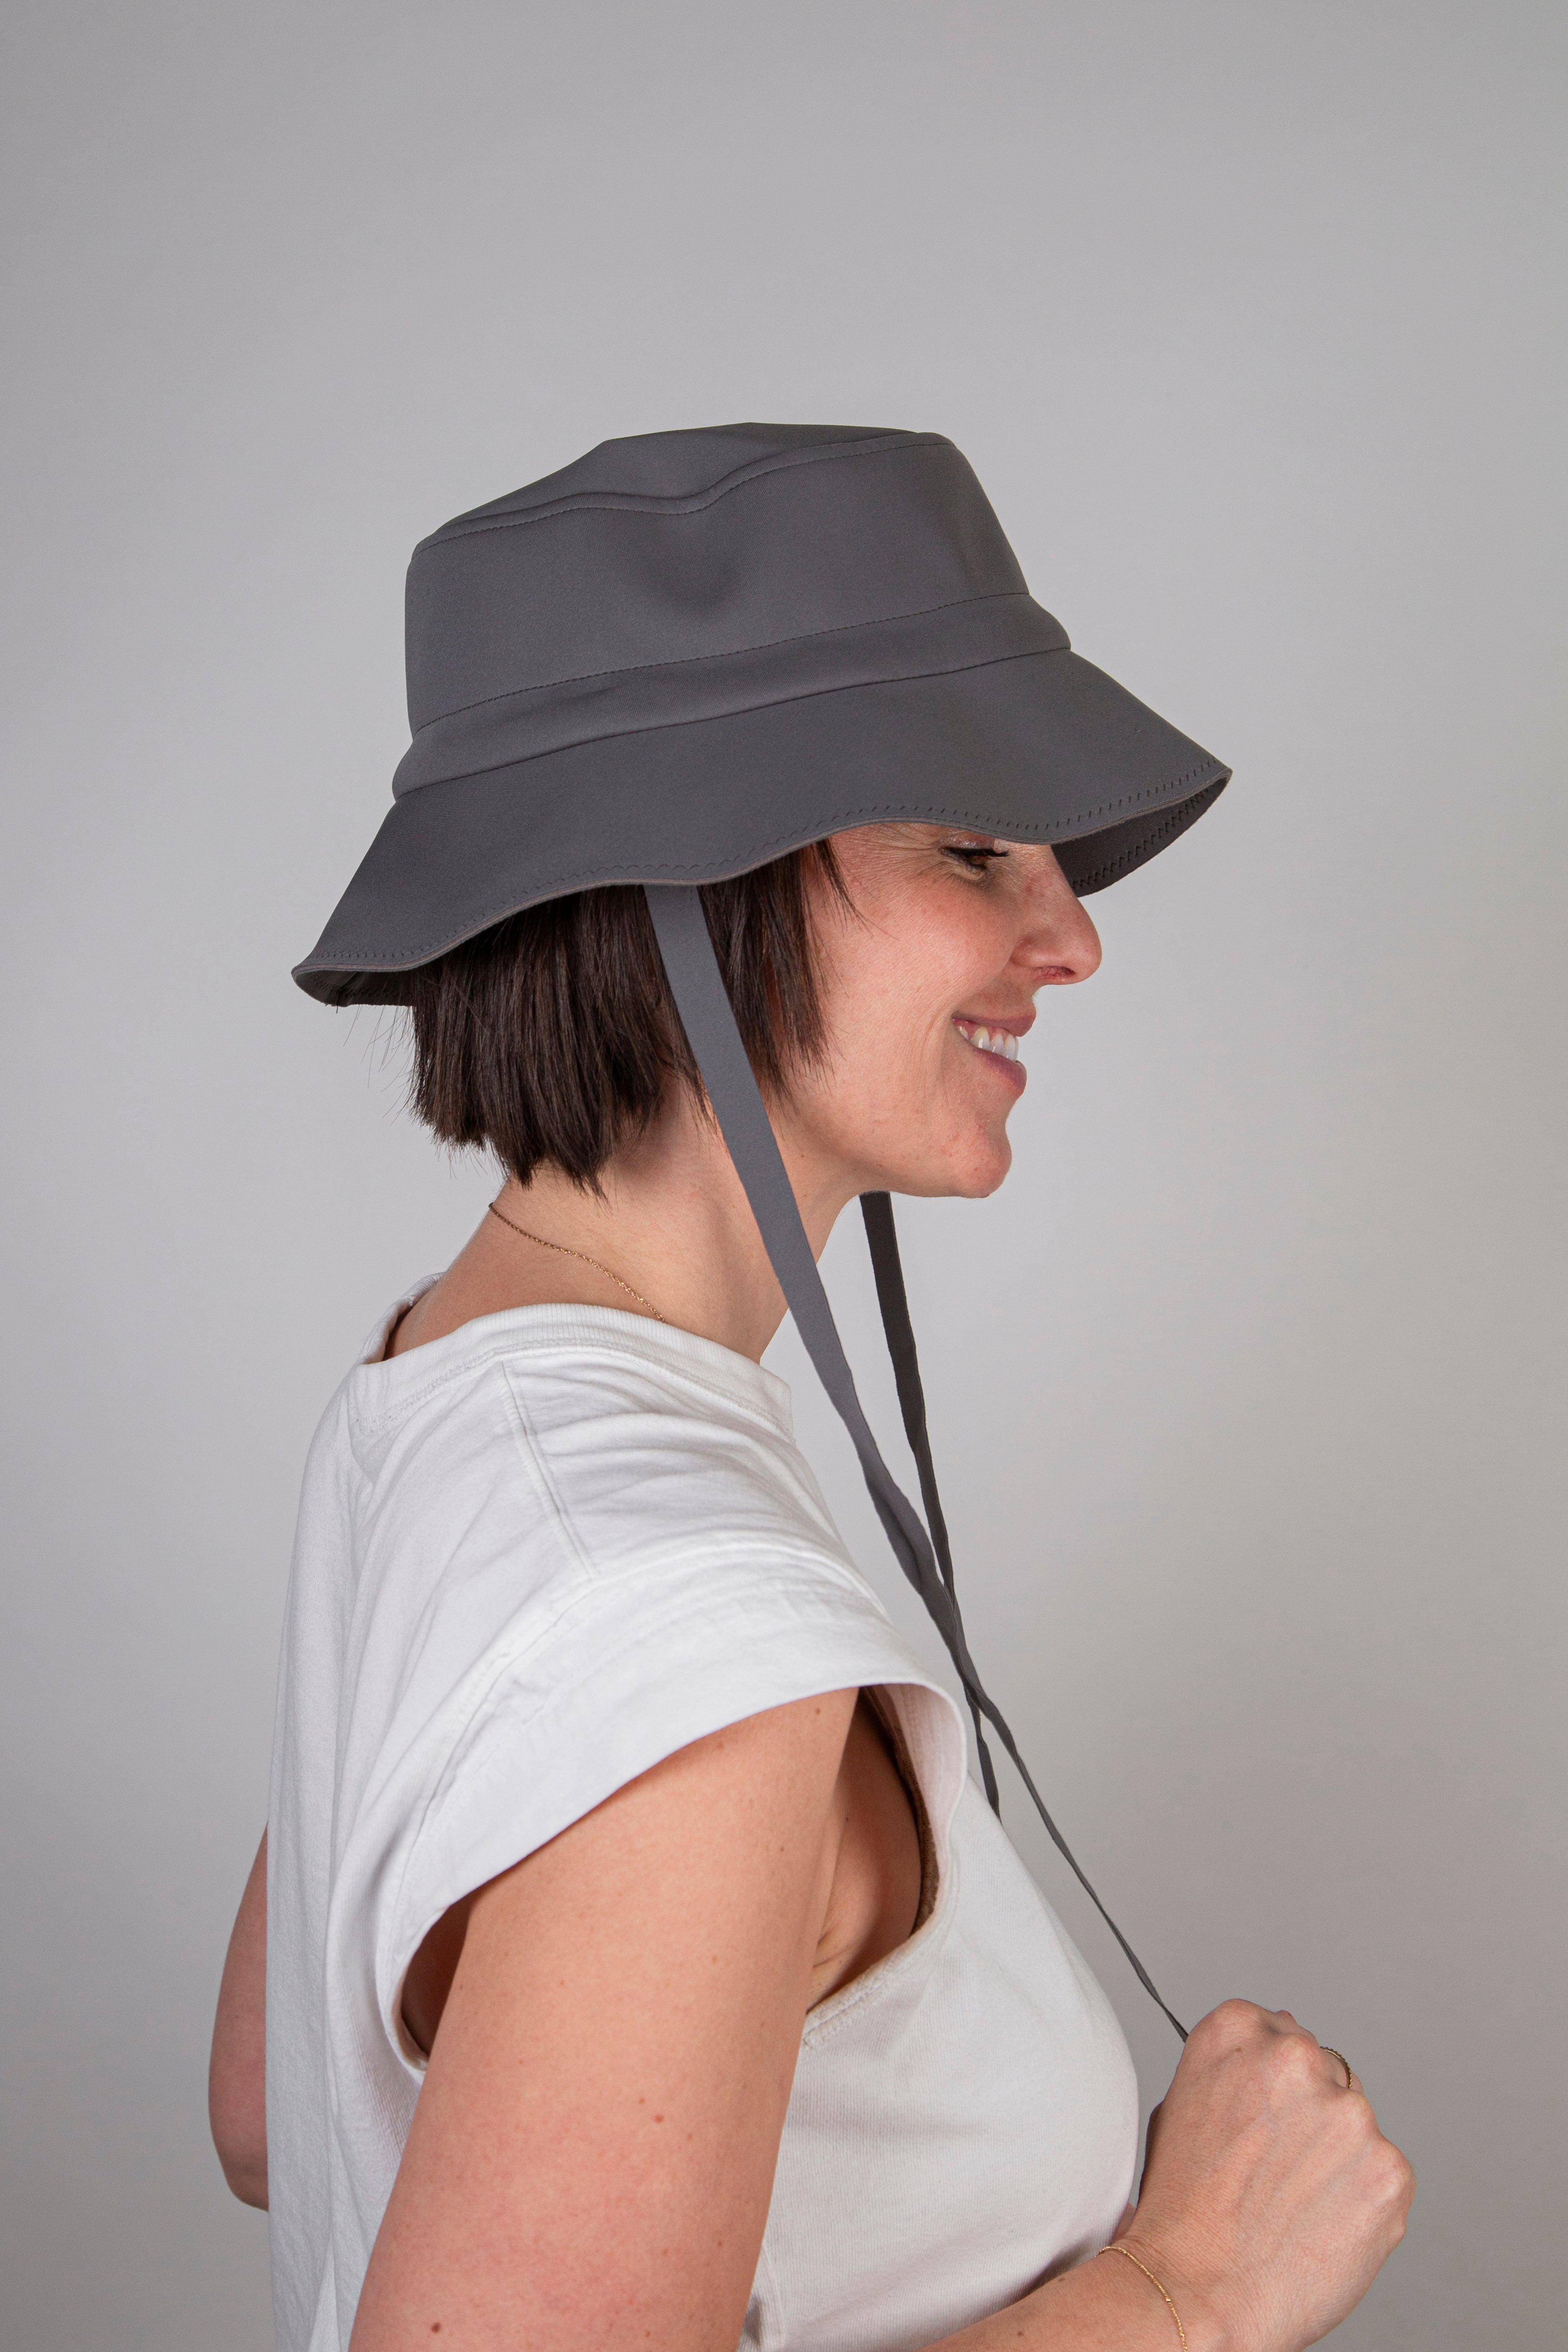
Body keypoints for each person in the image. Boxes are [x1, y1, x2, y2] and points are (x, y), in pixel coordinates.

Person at [209, 425, 1412, 2352]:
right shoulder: (669, 1614)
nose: (1072, 938)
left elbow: (275, 2107)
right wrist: (1193, 2287)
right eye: (973, 849)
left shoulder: (435, 1402)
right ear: (685, 893)